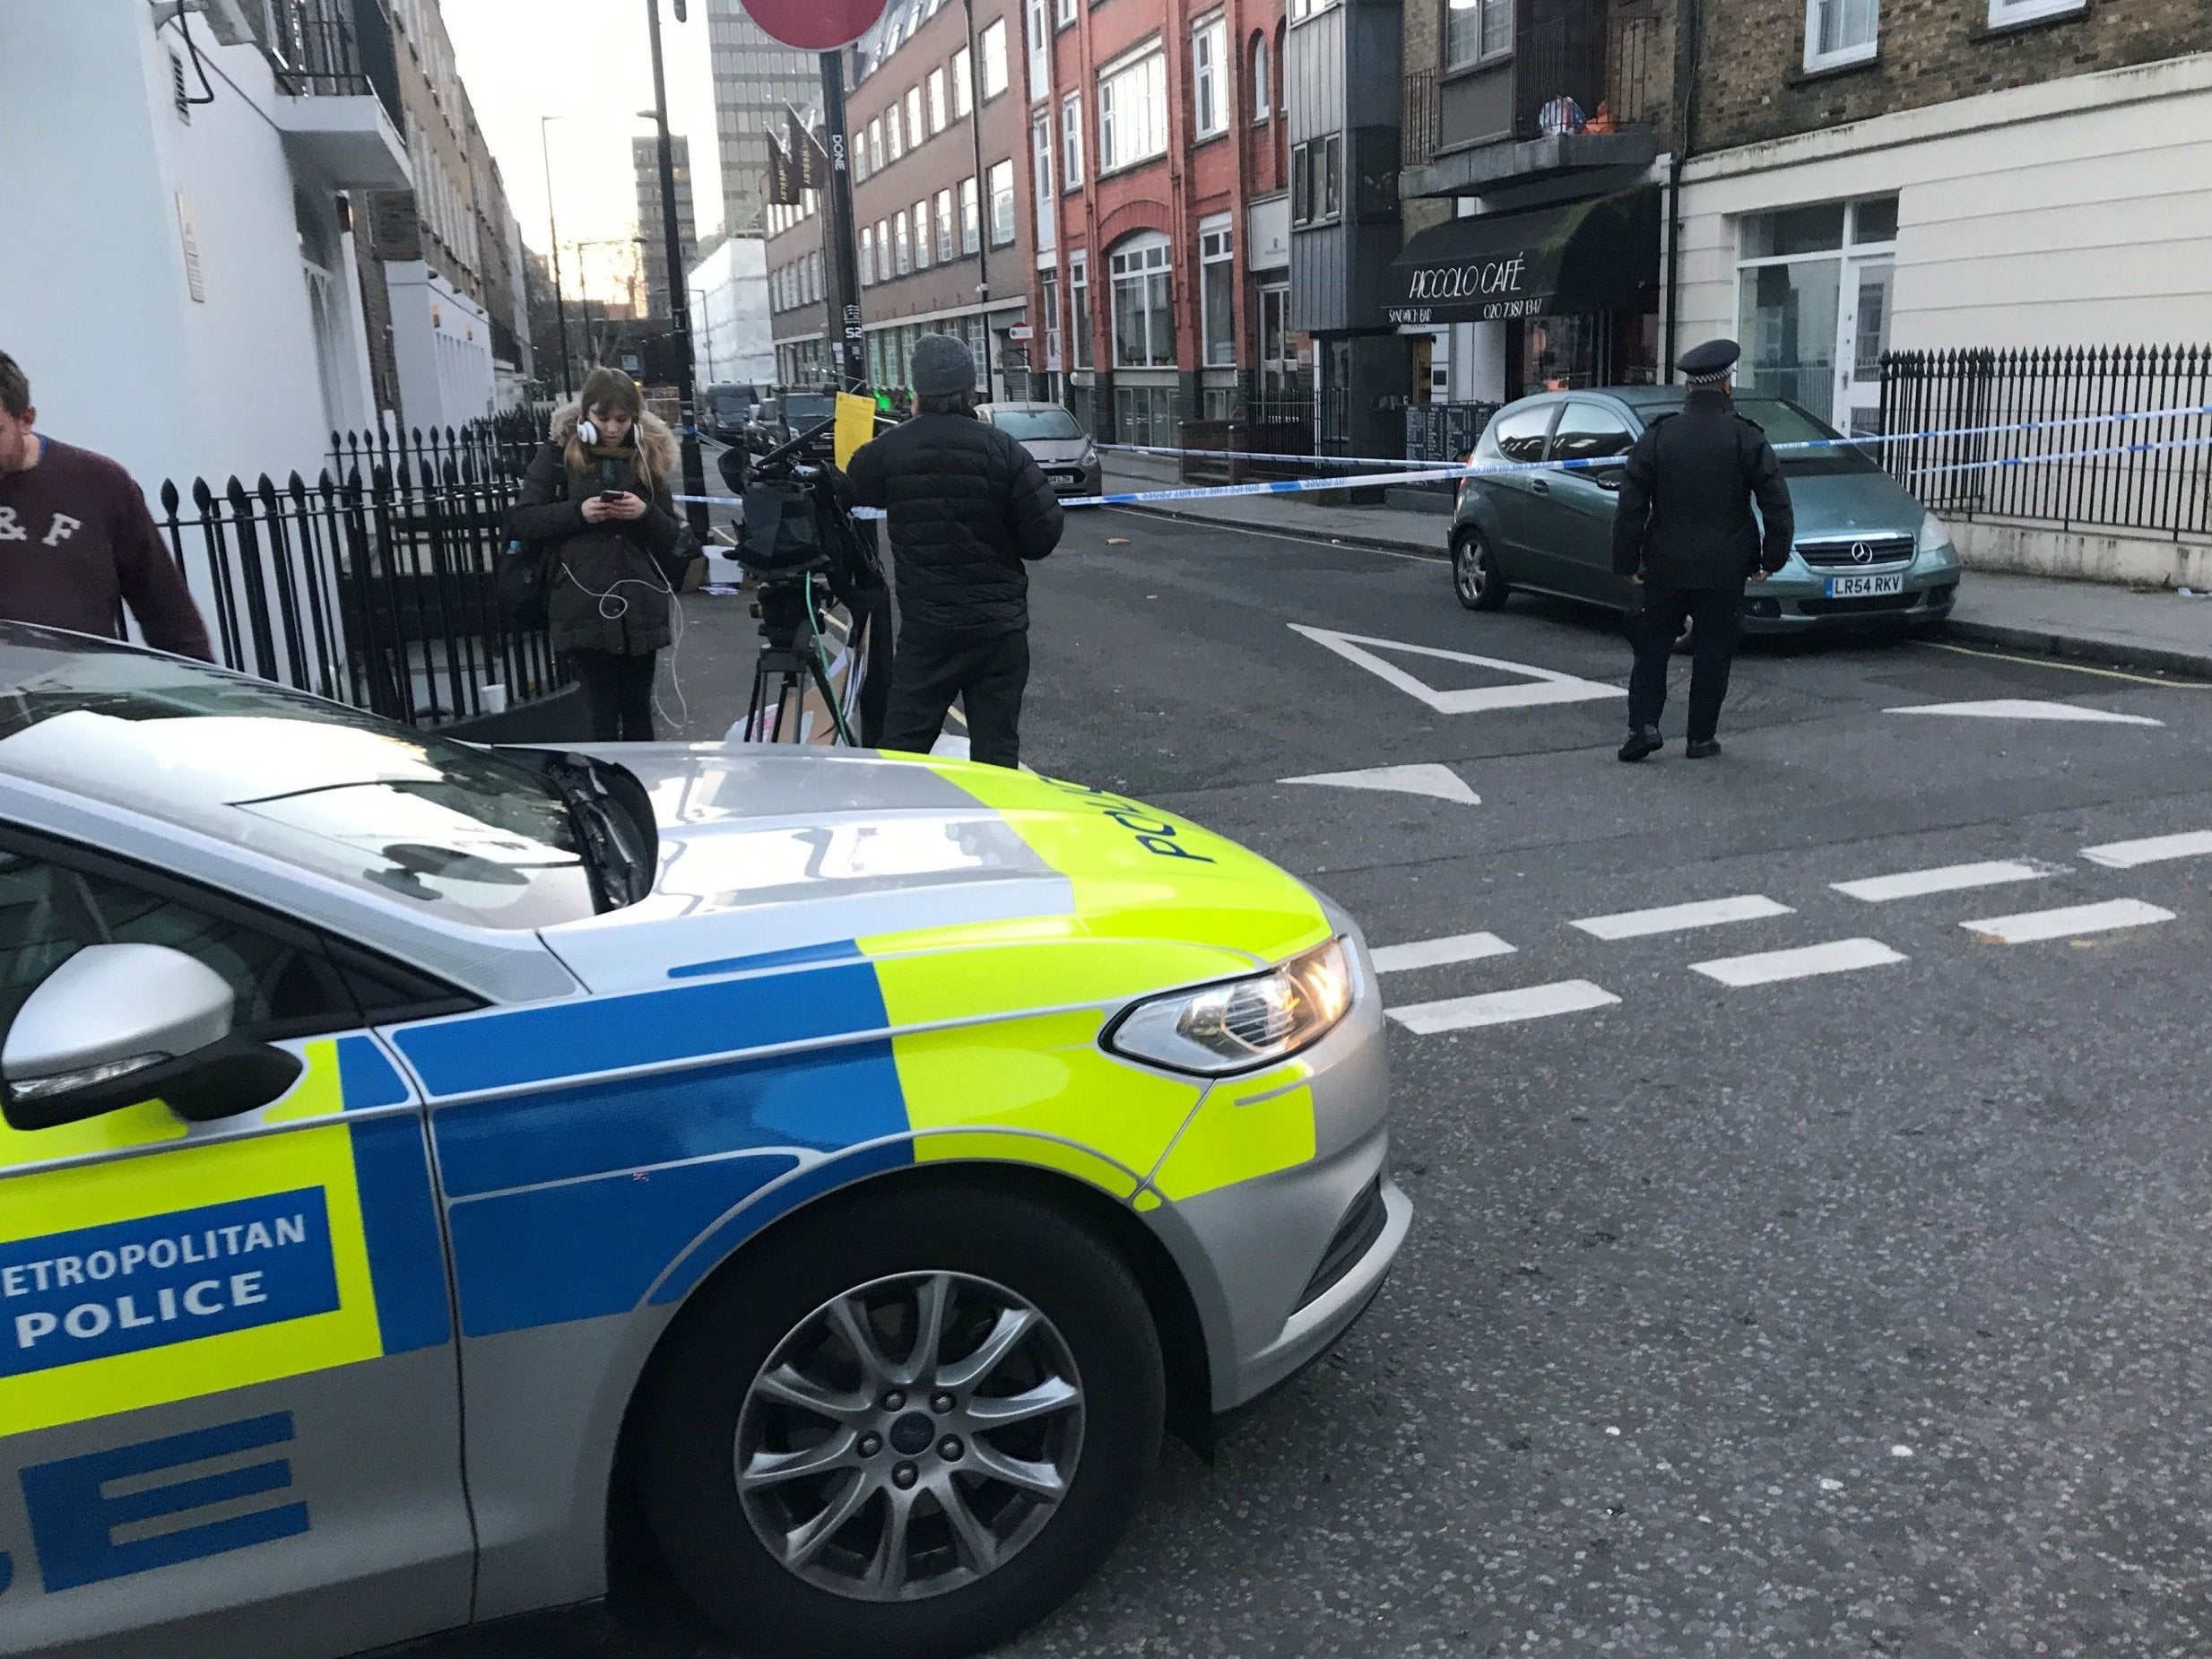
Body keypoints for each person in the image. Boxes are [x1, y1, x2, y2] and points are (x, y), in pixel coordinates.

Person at [845, 336, 1063, 769]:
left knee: (903, 752)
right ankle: (993, 833)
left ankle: (901, 830)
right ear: (971, 388)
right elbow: (1042, 538)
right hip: (998, 631)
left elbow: (852, 493)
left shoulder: (886, 452)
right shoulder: (1004, 450)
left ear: (916, 392)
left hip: (928, 631)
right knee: (996, 753)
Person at [1609, 338, 1794, 762]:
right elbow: (1776, 502)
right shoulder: (1747, 438)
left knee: (1652, 645)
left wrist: (1627, 561)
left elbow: (1631, 504)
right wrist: (1772, 558)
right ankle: (1700, 737)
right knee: (1714, 649)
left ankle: (1644, 726)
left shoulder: (1659, 436)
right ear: (1727, 384)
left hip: (1665, 563)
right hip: (1725, 566)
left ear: (1689, 388)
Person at [512, 367, 688, 742]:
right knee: (598, 717)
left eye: (622, 420)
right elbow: (524, 520)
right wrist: (579, 512)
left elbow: (672, 536)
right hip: (581, 606)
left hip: (640, 604)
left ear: (636, 420)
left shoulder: (647, 456)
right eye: (602, 418)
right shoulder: (557, 457)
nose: (612, 428)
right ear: (585, 415)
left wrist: (645, 514)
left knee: (639, 713)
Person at [0, 351, 212, 660]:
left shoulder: (99, 482)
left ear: (26, 420)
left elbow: (165, 609)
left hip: (81, 691)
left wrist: (202, 690)